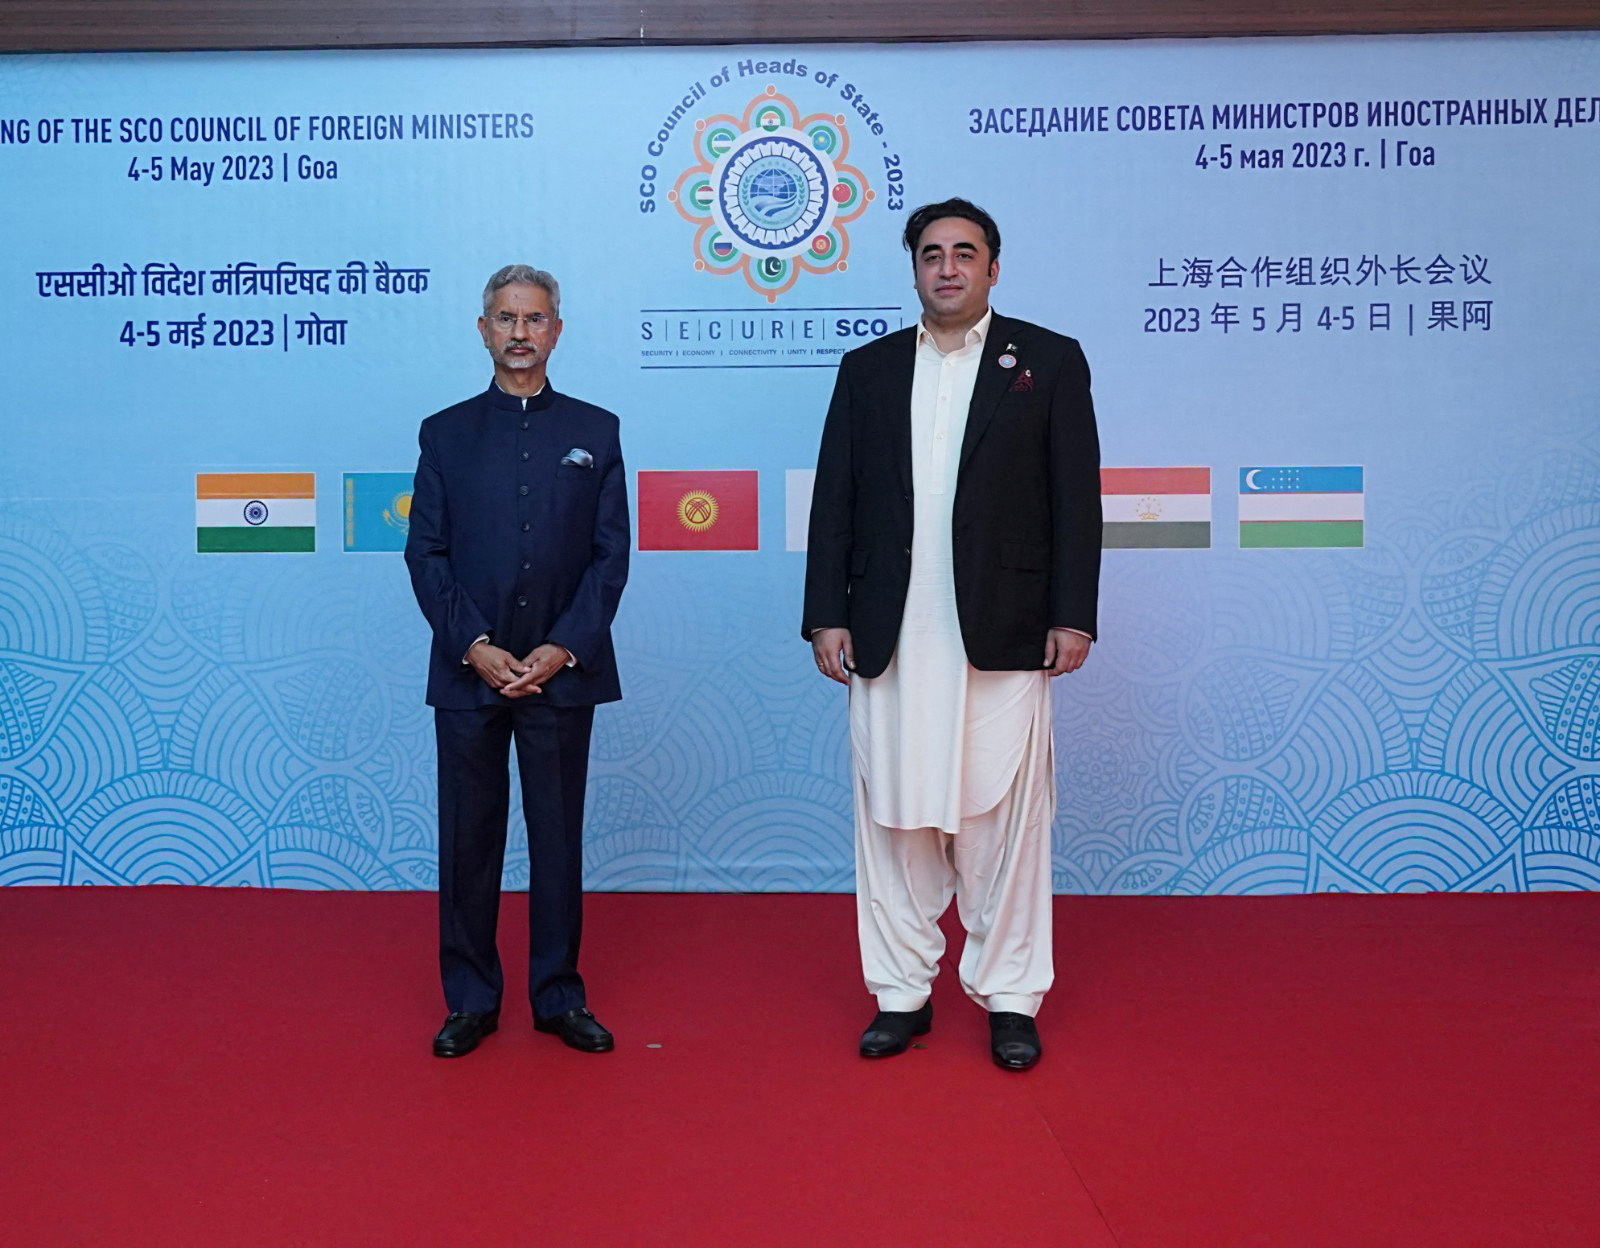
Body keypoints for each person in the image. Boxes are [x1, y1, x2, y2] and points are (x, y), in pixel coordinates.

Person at [802, 199, 1102, 1071]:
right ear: (915, 269)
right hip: (889, 635)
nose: (947, 267)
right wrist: (826, 613)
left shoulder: (1046, 362)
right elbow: (835, 504)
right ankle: (900, 993)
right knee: (892, 821)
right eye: (931, 254)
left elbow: (1075, 502)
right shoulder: (866, 370)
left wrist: (1072, 613)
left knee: (1001, 819)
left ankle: (1010, 996)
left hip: (1003, 632)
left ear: (993, 269)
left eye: (964, 253)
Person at [405, 264, 629, 1058]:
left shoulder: (596, 431)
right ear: (483, 330)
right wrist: (475, 646)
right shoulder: (445, 432)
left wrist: (561, 648)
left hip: (560, 675)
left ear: (557, 331)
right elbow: (425, 554)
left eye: (535, 318)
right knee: (468, 839)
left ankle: (558, 995)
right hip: (470, 672)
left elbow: (611, 558)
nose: (520, 333)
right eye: (505, 318)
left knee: (558, 837)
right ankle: (470, 997)